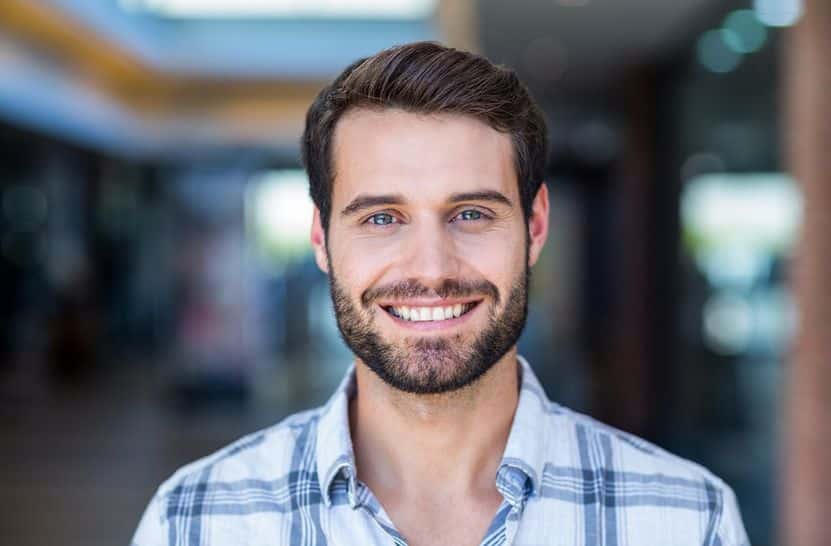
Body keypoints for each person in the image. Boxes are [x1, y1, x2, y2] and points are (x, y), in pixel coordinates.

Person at [131, 41, 749, 546]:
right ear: (321, 238)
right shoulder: (195, 522)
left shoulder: (688, 521)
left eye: (472, 214)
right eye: (380, 218)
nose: (431, 268)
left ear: (535, 226)